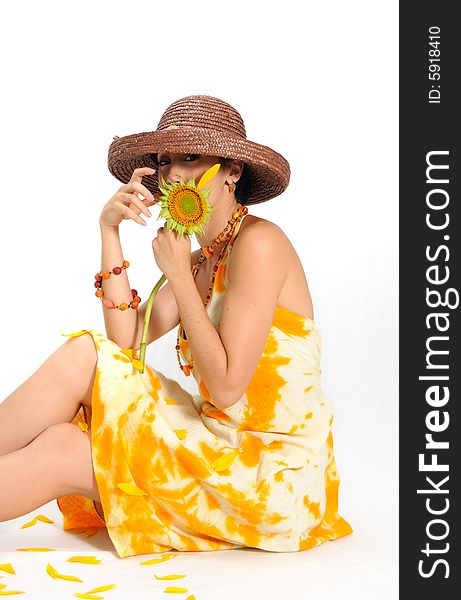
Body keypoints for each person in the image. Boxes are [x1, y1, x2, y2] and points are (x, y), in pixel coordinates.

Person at [0, 95, 353, 558]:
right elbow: (125, 338)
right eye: (165, 161)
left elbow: (226, 388)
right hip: (216, 444)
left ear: (232, 170)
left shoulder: (259, 244)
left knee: (66, 451)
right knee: (82, 361)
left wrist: (182, 279)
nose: (171, 174)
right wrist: (110, 231)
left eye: (190, 157)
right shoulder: (203, 258)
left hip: (271, 477)